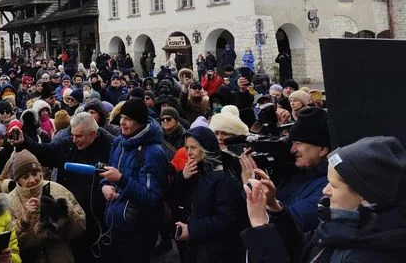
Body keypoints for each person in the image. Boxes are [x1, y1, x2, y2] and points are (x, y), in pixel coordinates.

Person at [242, 135, 406, 262]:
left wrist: (260, 225)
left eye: (334, 186)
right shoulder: (343, 225)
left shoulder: (367, 256)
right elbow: (303, 251)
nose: (325, 190)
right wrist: (275, 208)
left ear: (365, 195)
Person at [11, 112, 112, 263]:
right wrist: (24, 141)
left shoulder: (110, 147)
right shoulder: (68, 145)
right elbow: (46, 152)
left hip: (97, 222)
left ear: (92, 134)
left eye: (79, 136)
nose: (74, 139)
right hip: (66, 220)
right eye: (72, 135)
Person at [99, 96, 168, 262]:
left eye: (128, 119)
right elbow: (110, 173)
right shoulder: (119, 143)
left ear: (140, 122)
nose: (122, 122)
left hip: (139, 231)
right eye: (122, 117)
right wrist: (105, 186)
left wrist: (121, 180)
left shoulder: (153, 152)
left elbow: (151, 197)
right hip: (116, 224)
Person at [240, 107, 330, 232]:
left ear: (322, 149)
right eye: (291, 143)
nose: (292, 150)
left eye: (298, 143)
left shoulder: (328, 186)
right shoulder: (295, 173)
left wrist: (252, 188)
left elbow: (292, 224)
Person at [174, 127, 248, 262]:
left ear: (205, 148)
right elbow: (179, 198)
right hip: (199, 246)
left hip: (216, 251)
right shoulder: (196, 170)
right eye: (186, 148)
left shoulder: (224, 177)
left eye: (193, 148)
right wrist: (183, 178)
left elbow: (227, 219)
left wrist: (192, 229)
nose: (189, 153)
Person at [8, 150, 86, 263]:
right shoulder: (10, 200)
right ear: (17, 180)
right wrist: (24, 220)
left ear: (41, 173)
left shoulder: (58, 189)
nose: (32, 180)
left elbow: (81, 226)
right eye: (25, 177)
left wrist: (63, 212)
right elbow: (10, 242)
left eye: (35, 174)